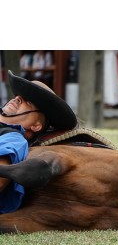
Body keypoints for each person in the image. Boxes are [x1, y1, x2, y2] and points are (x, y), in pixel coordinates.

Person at [0, 70, 77, 214]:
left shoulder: (14, 139)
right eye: (18, 96)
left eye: (28, 102)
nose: (17, 99)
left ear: (36, 125)